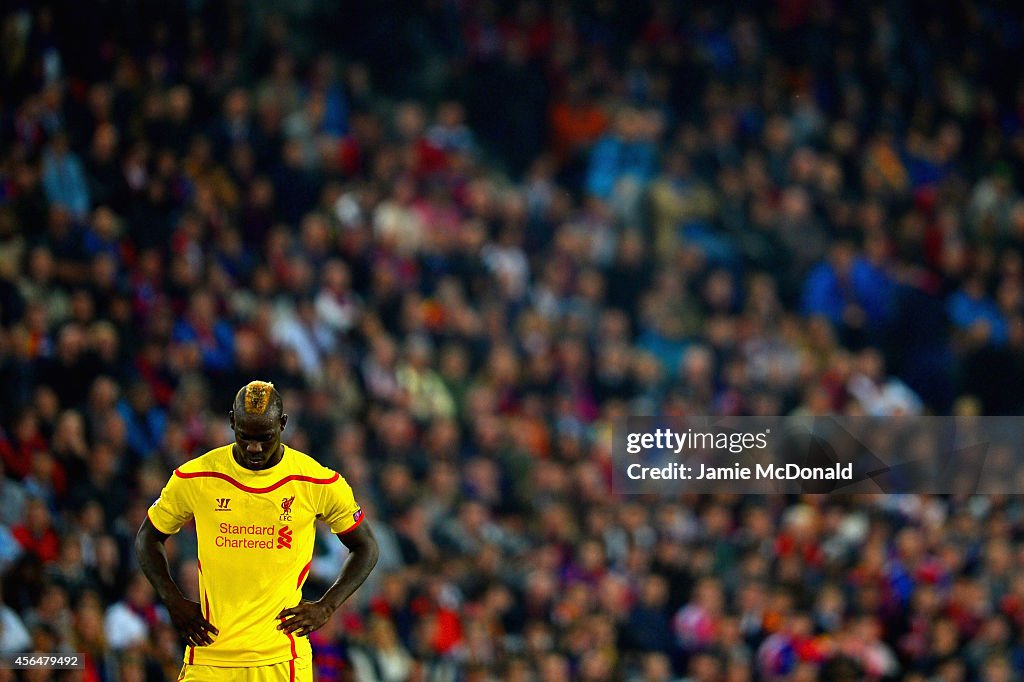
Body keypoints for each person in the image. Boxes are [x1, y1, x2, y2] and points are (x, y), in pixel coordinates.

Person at [135, 380, 379, 681]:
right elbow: (148, 536)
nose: (254, 447)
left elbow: (366, 545)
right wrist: (172, 599)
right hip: (210, 653)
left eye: (265, 437)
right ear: (232, 421)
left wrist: (327, 606)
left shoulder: (317, 482)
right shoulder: (196, 477)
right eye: (245, 436)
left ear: (283, 424)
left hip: (281, 658)